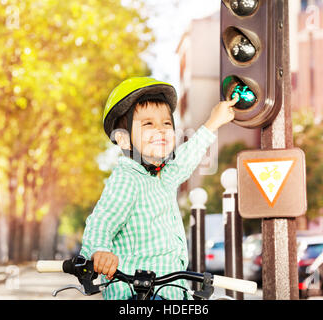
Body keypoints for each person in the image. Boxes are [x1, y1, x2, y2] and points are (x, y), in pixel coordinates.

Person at [80, 77, 239, 300]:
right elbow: (102, 221)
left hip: (171, 293)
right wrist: (99, 252)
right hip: (137, 295)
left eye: (166, 123)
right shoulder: (128, 179)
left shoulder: (161, 176)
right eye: (148, 124)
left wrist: (213, 122)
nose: (161, 130)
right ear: (124, 141)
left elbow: (185, 158)